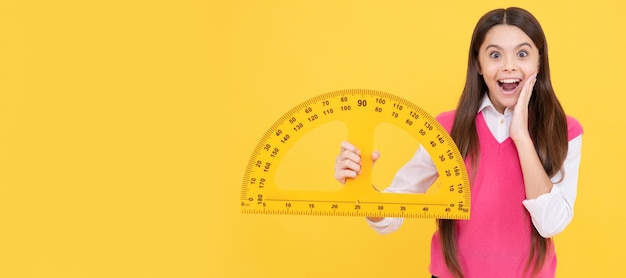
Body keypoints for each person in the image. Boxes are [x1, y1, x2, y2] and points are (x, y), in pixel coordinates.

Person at [333, 7, 583, 278]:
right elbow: (393, 212)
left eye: (522, 54)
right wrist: (364, 188)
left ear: (539, 62)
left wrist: (521, 135)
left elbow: (550, 223)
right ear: (478, 64)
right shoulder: (446, 128)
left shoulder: (564, 130)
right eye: (495, 55)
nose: (509, 66)